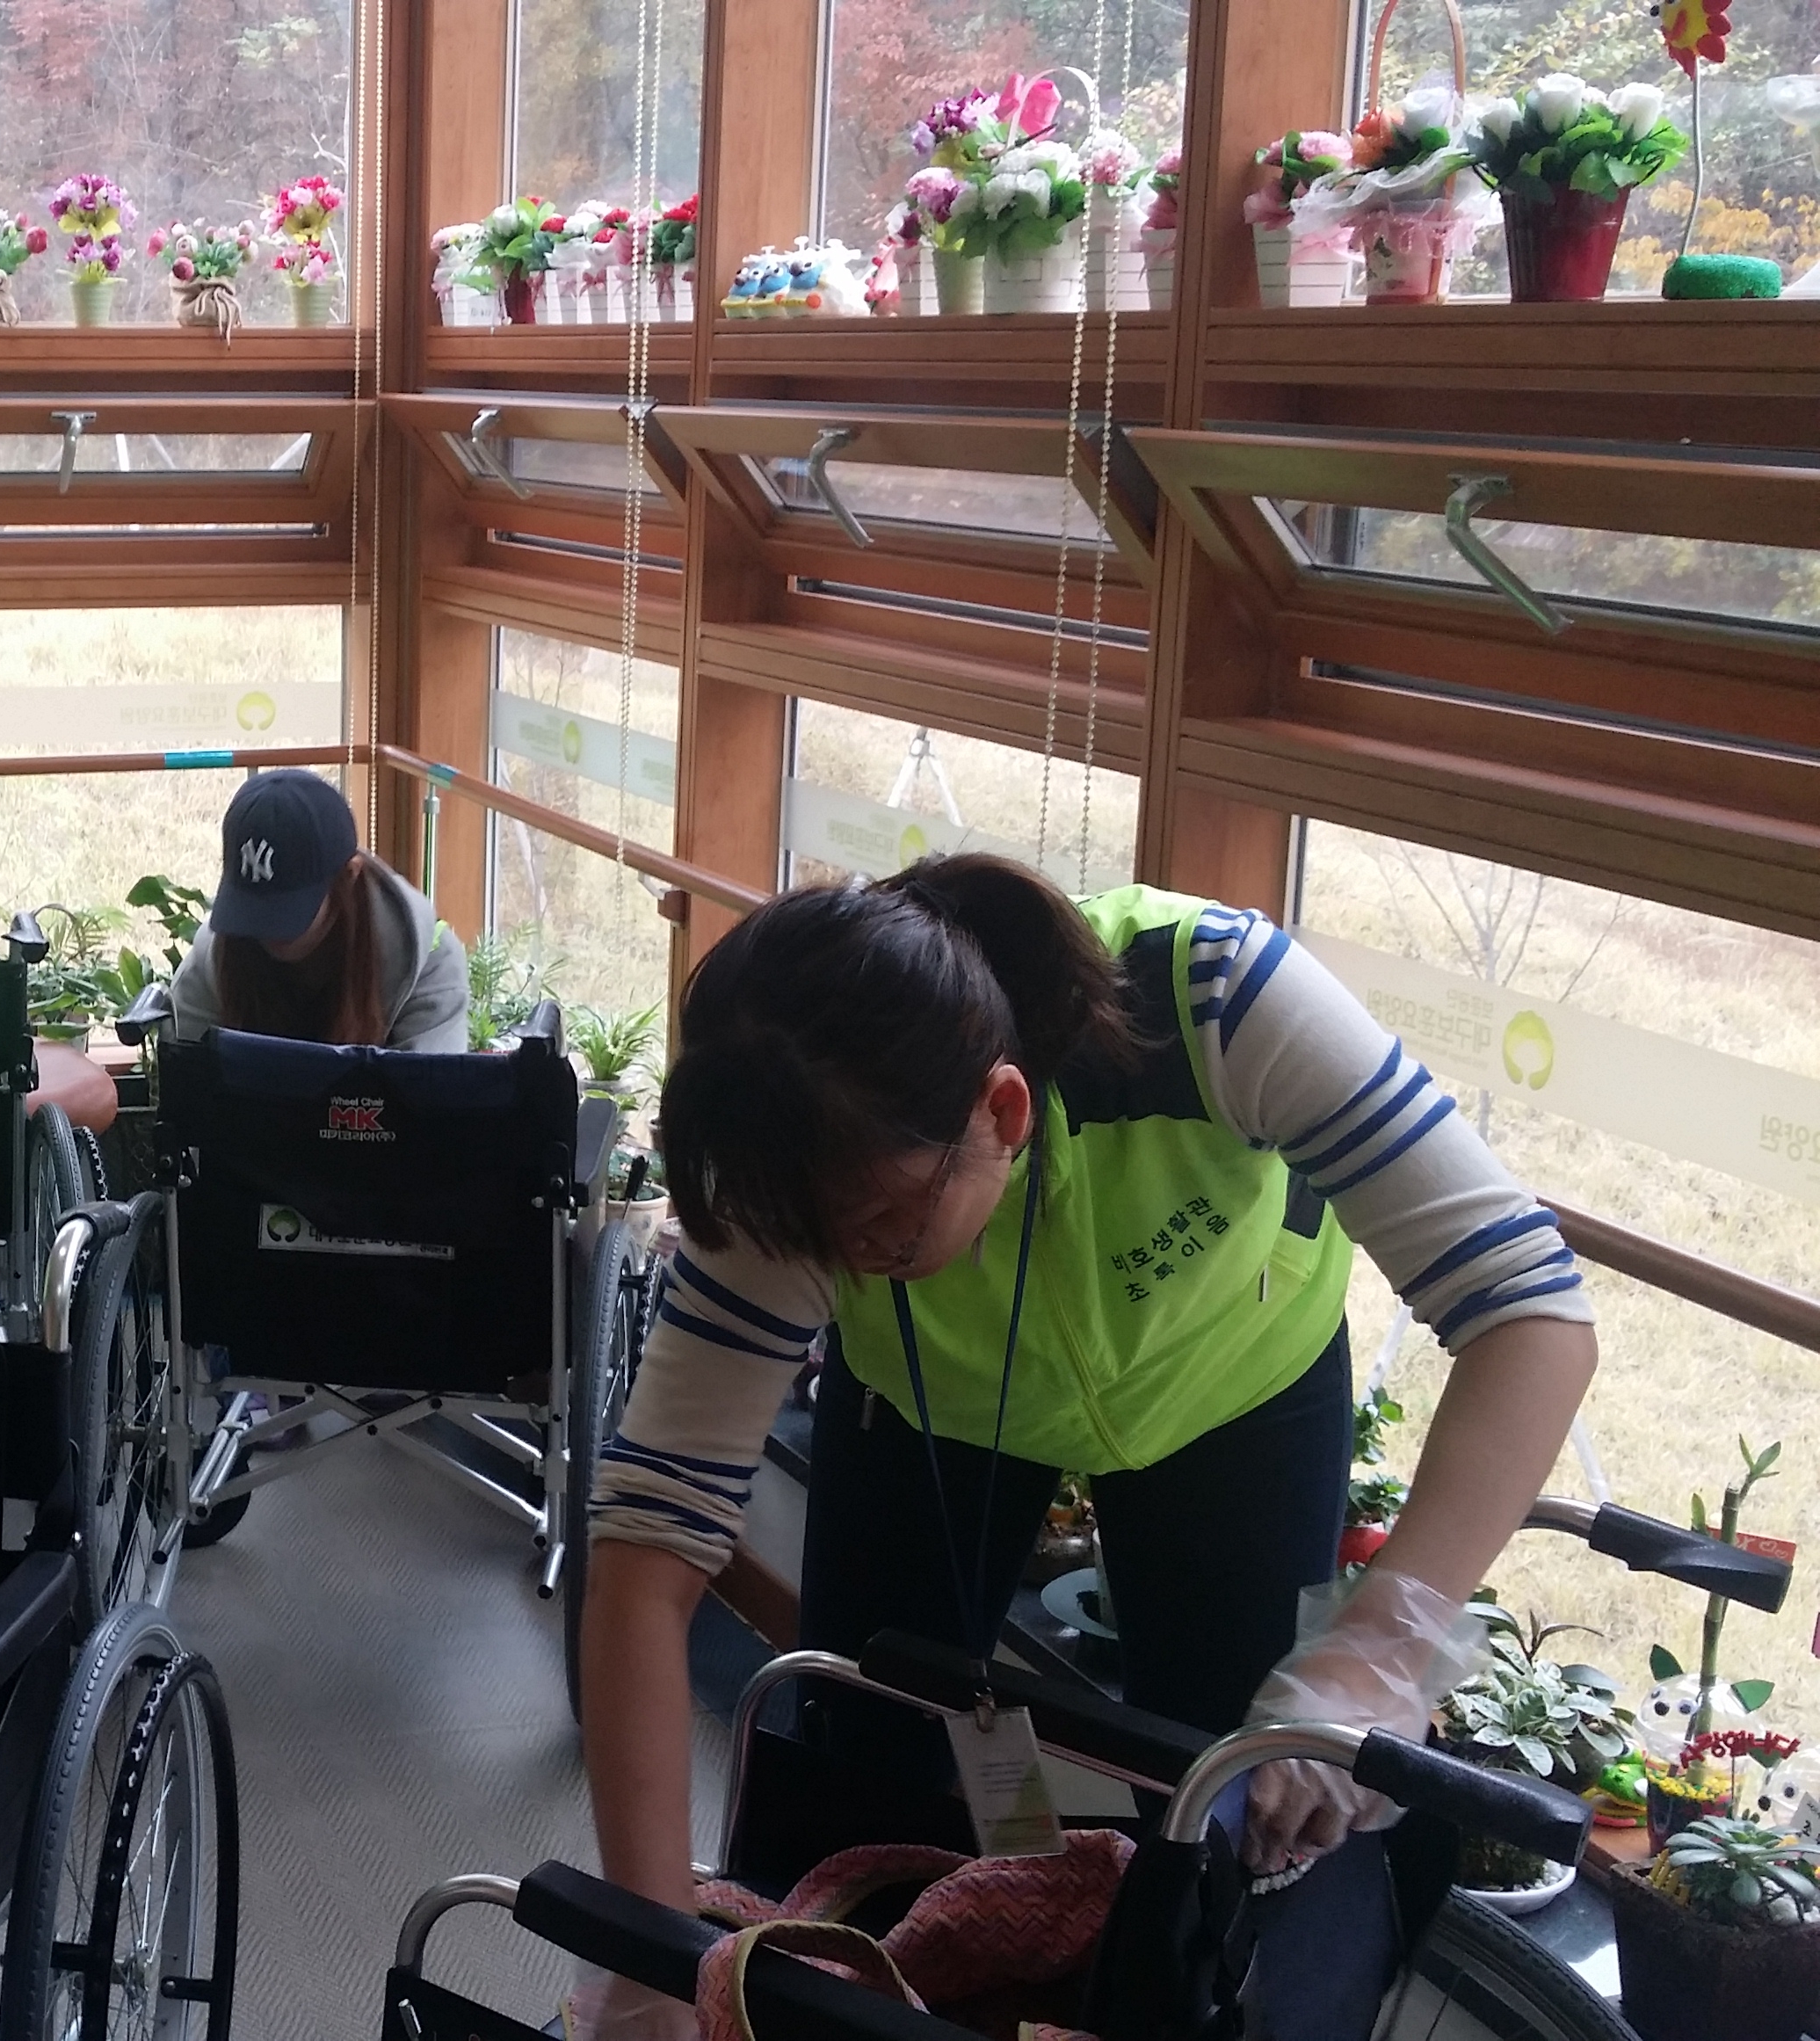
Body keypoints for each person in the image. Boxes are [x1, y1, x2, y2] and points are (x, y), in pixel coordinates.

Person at [572, 854, 1596, 2034]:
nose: (840, 1267)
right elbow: (647, 1551)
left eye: (881, 1227)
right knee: (868, 1766)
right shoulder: (787, 1163)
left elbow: (1533, 1315)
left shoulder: (1222, 1002)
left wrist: (1384, 1650)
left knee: (1242, 1808)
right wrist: (649, 1957)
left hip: (1230, 1383)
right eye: (814, 1243)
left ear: (1001, 1112)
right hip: (931, 1408)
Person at [163, 767, 468, 1052]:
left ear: (348, 876)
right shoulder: (214, 958)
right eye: (251, 907)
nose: (265, 927)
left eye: (287, 906)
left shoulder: (428, 965)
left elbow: (431, 1089)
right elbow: (187, 1073)